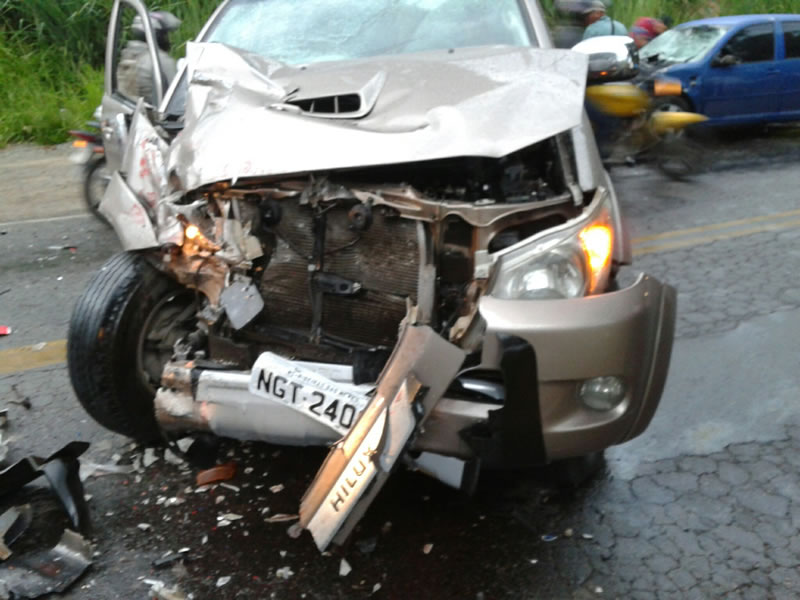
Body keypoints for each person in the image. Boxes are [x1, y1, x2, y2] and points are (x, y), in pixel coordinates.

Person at [117, 11, 181, 105]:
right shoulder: (161, 61)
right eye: (166, 34)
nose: (169, 40)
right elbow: (178, 97)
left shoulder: (127, 55)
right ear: (157, 35)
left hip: (130, 109)